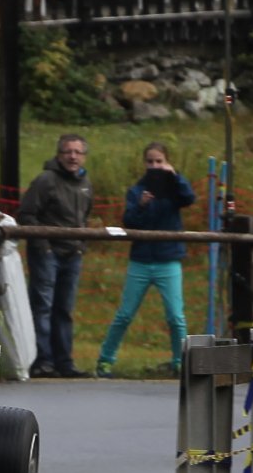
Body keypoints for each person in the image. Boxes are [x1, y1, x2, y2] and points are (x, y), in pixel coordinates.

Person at [95, 142, 196, 378]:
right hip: (141, 260)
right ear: (144, 164)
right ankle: (105, 360)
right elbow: (129, 221)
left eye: (159, 161)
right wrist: (141, 206)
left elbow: (189, 198)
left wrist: (176, 176)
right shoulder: (137, 190)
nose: (155, 166)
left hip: (168, 259)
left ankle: (180, 361)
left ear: (166, 162)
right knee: (125, 314)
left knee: (176, 317)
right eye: (150, 161)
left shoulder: (174, 189)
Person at [17, 134, 93, 378]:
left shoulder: (85, 183)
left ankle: (64, 361)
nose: (73, 156)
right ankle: (42, 361)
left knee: (65, 308)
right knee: (43, 307)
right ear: (59, 155)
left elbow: (85, 216)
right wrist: (43, 245)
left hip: (73, 254)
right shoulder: (46, 180)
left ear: (84, 156)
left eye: (77, 152)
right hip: (47, 253)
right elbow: (26, 214)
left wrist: (80, 244)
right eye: (68, 151)